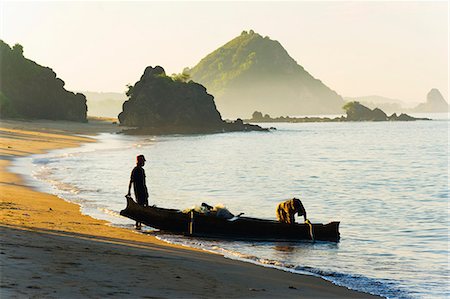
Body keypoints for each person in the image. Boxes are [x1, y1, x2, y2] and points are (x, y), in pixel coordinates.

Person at [127, 154, 149, 229]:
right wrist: (129, 192)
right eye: (143, 161)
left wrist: (146, 192)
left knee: (145, 206)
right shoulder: (136, 170)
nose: (144, 163)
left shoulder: (142, 170)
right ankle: (138, 223)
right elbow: (131, 181)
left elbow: (144, 183)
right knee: (141, 206)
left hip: (143, 190)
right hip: (139, 191)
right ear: (139, 161)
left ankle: (140, 222)